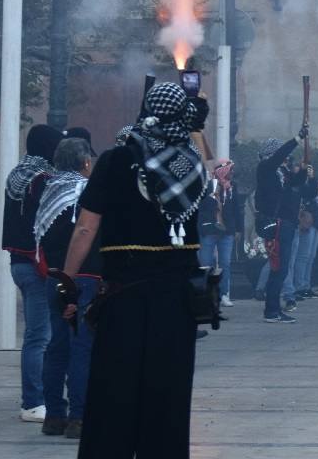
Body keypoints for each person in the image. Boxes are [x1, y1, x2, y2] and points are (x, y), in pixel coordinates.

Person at [60, 81, 211, 459]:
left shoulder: (115, 160)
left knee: (115, 388)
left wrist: (66, 280)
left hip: (124, 295)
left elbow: (86, 227)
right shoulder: (191, 163)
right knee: (169, 392)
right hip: (178, 300)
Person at [35, 137, 98, 439]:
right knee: (81, 348)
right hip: (83, 278)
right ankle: (79, 417)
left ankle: (53, 417)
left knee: (56, 347)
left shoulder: (50, 190)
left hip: (53, 277)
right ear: (85, 161)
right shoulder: (85, 191)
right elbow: (86, 231)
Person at [2, 123, 63, 423]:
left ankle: (35, 398)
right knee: (40, 336)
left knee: (37, 335)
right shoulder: (42, 179)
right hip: (37, 264)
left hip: (18, 262)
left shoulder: (18, 174)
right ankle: (33, 401)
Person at [254, 133, 306, 322]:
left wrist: (304, 170)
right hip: (275, 223)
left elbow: (296, 182)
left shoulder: (280, 172)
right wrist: (296, 140)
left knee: (282, 268)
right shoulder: (265, 168)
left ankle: (273, 309)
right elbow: (277, 158)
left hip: (287, 222)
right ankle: (271, 310)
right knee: (278, 267)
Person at [198, 159, 240, 308]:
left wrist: (237, 229)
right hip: (209, 230)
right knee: (206, 263)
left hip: (226, 231)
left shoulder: (232, 188)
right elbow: (201, 207)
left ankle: (223, 294)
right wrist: (213, 197)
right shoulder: (208, 186)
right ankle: (207, 295)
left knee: (225, 264)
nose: (232, 173)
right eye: (230, 170)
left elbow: (236, 209)